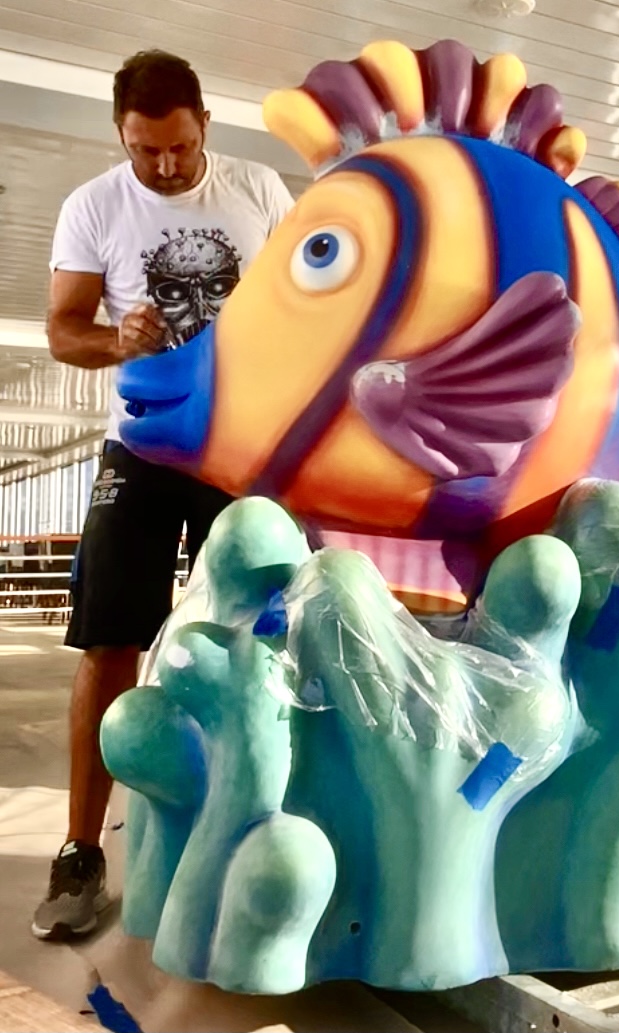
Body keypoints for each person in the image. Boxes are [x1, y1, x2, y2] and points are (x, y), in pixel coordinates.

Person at [34, 49, 295, 940]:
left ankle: (261, 826)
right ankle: (80, 851)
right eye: (145, 149)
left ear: (204, 126)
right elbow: (62, 331)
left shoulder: (258, 190)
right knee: (110, 639)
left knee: (261, 635)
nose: (166, 165)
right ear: (122, 134)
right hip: (143, 445)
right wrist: (117, 341)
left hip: (241, 447)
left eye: (180, 146)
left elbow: (309, 305)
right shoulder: (94, 206)